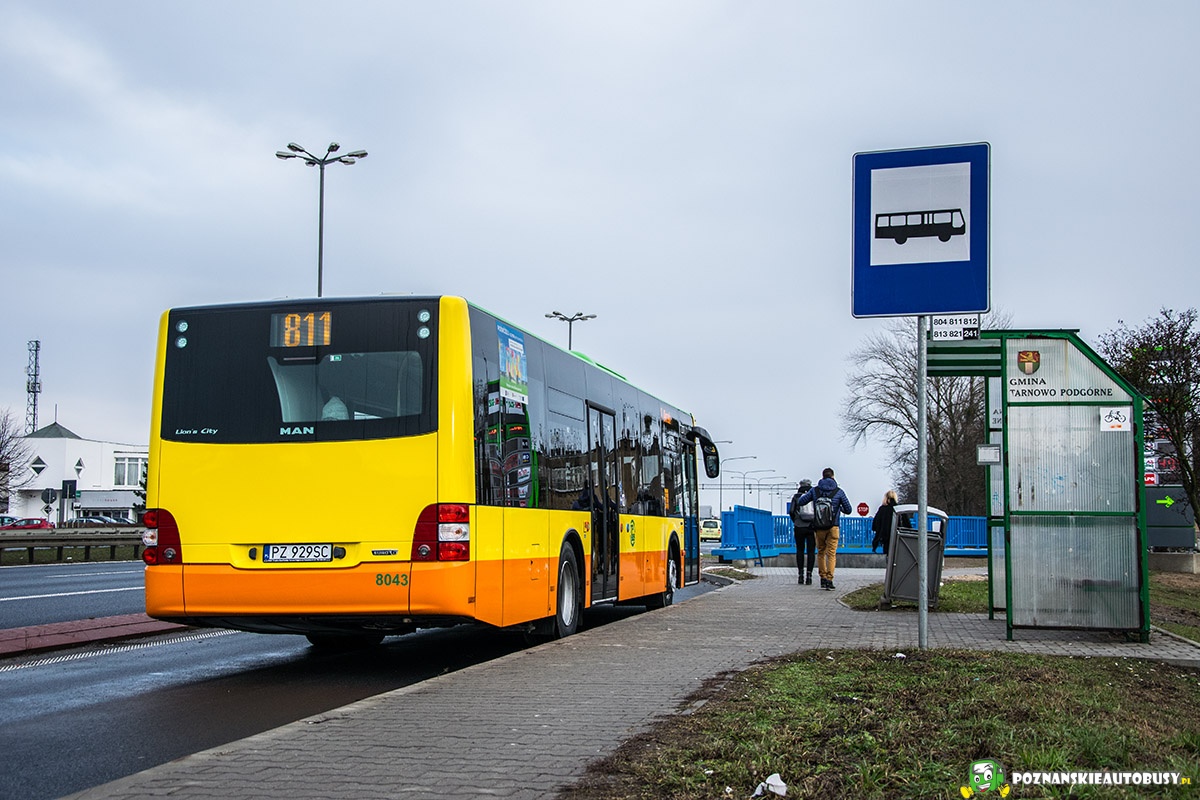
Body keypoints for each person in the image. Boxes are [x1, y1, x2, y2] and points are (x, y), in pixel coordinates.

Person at [795, 467, 852, 591]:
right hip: (833, 527)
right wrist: (838, 507)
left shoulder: (815, 491)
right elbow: (848, 509)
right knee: (831, 554)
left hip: (819, 527)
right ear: (833, 477)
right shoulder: (839, 492)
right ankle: (830, 579)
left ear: (822, 477)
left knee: (821, 552)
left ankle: (823, 578)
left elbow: (801, 502)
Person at [789, 479, 817, 585]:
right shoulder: (814, 496)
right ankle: (809, 576)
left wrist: (796, 521)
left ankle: (800, 575)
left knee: (800, 550)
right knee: (811, 551)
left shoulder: (796, 497)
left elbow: (791, 511)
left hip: (799, 527)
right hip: (811, 527)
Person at [871, 490, 899, 555]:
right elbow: (907, 524)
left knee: (887, 554)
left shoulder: (882, 509)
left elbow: (875, 524)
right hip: (898, 537)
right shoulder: (899, 509)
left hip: (885, 538)